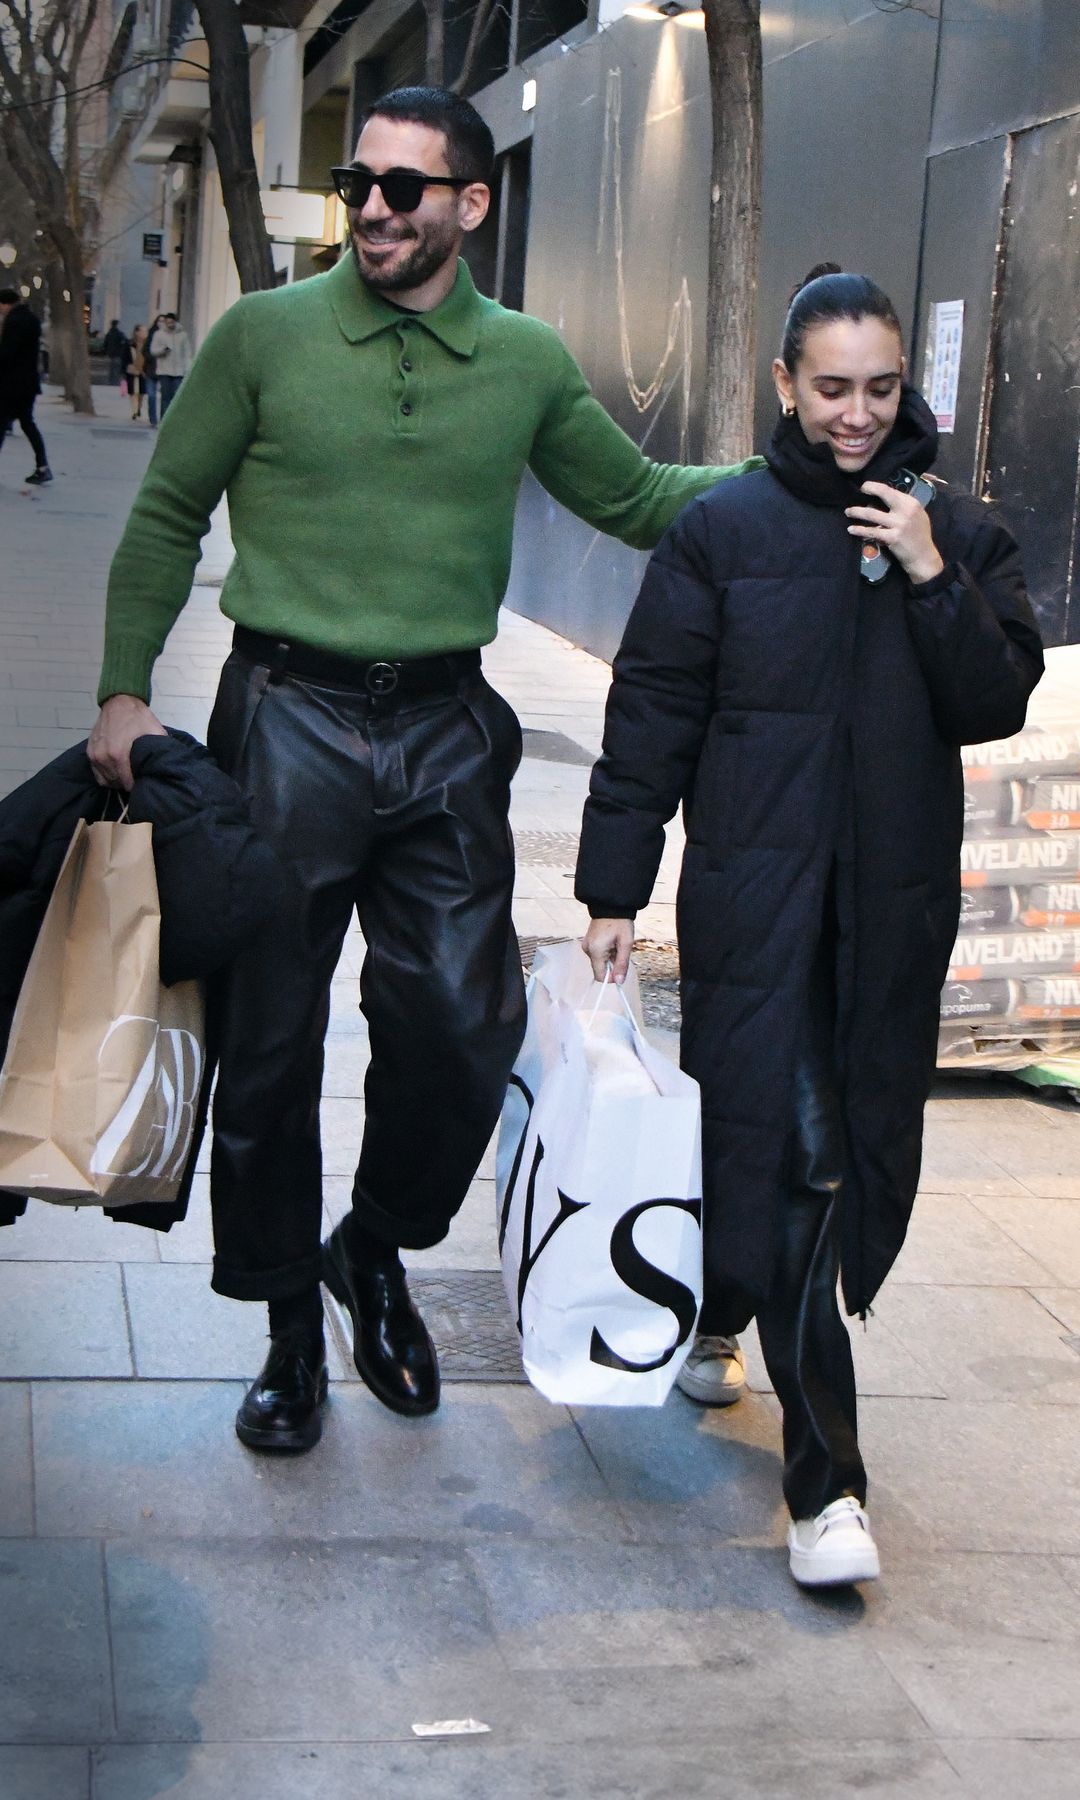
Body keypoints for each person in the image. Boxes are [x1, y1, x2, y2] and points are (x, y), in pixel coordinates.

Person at [88, 85, 758, 1456]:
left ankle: (376, 1249)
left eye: (407, 187)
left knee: (463, 1028)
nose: (377, 208)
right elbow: (166, 511)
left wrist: (794, 472)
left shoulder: (520, 360)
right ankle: (285, 1332)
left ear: (470, 204)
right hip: (283, 719)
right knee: (268, 1049)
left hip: (450, 729)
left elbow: (634, 500)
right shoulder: (266, 335)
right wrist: (120, 688)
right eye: (360, 184)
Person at [576, 266, 1043, 1587]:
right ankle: (828, 1490)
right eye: (830, 387)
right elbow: (652, 710)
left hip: (888, 918)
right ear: (784, 384)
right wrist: (614, 887)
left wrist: (932, 572)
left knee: (815, 1154)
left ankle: (719, 1313)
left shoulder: (957, 529)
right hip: (752, 903)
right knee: (802, 1161)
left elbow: (995, 700)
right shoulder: (722, 532)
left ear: (908, 387)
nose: (855, 414)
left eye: (880, 389)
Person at [0, 288, 51, 485]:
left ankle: (43, 466)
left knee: (3, 423)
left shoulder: (13, 322)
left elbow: (7, 353)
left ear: (5, 304)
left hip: (12, 384)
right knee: (27, 423)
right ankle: (42, 466)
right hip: (28, 383)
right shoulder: (31, 318)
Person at [151, 312, 192, 417]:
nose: (170, 324)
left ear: (175, 322)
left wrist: (187, 368)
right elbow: (153, 351)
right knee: (165, 397)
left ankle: (173, 420)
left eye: (172, 322)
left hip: (179, 372)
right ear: (165, 323)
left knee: (176, 398)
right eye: (168, 322)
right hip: (164, 371)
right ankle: (163, 420)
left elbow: (187, 353)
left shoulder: (182, 335)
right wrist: (162, 350)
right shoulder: (159, 334)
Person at [143, 314, 167, 427]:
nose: (161, 323)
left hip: (165, 370)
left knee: (165, 396)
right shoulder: (151, 334)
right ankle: (153, 419)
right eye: (159, 321)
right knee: (151, 395)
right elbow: (145, 351)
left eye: (163, 321)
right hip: (151, 369)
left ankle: (163, 418)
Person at [126, 325, 148, 420]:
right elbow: (124, 358)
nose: (145, 333)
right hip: (132, 371)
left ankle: (138, 408)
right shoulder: (130, 344)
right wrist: (128, 366)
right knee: (133, 392)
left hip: (143, 371)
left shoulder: (147, 344)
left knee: (141, 393)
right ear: (137, 332)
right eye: (143, 331)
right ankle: (134, 411)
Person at [103, 319, 129, 386]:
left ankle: (111, 382)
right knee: (117, 369)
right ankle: (115, 382)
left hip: (110, 354)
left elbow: (105, 344)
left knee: (112, 369)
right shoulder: (120, 334)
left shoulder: (109, 334)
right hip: (118, 354)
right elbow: (125, 342)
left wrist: (107, 351)